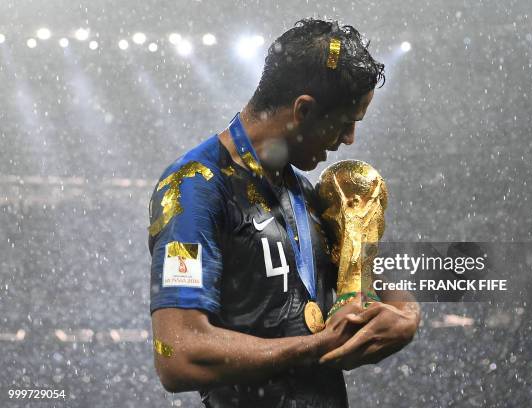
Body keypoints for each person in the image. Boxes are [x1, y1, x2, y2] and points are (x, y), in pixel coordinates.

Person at [148, 18, 420, 407]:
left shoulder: (304, 191)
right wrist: (313, 348)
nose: (349, 140)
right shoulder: (194, 189)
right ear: (304, 110)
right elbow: (178, 354)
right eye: (346, 123)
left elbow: (371, 272)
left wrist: (406, 316)